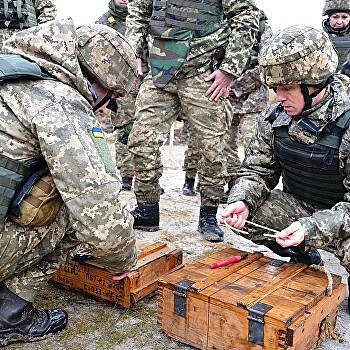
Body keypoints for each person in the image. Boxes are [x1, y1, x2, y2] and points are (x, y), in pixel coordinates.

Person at [0, 18, 138, 346]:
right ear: (100, 81)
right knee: (76, 215)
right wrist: (122, 260)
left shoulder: (9, 71)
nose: (107, 106)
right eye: (111, 96)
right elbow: (97, 211)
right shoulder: (58, 101)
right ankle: (9, 314)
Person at [220, 25, 350, 293]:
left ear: (315, 84)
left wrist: (312, 228)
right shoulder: (273, 118)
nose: (278, 97)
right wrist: (241, 200)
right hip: (301, 207)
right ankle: (303, 256)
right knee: (250, 214)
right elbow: (255, 171)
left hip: (342, 220)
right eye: (275, 88)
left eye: (287, 88)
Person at [126, 0, 261, 242]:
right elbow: (138, 10)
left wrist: (230, 69)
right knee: (141, 140)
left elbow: (246, 16)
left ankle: (208, 214)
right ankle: (147, 209)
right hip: (159, 70)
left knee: (212, 149)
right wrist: (134, 52)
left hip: (204, 74)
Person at [181, 10, 273, 203]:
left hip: (252, 101)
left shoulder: (263, 29)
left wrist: (235, 86)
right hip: (224, 96)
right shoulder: (222, 23)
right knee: (226, 146)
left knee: (253, 147)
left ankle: (253, 191)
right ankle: (233, 186)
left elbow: (265, 65)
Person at [96, 0, 148, 191]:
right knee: (125, 130)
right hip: (119, 87)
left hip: (145, 83)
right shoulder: (104, 22)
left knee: (146, 130)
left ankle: (145, 176)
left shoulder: (145, 19)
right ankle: (126, 175)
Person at [322, 0, 350, 76]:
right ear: (329, 17)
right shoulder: (319, 38)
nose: (339, 22)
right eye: (335, 17)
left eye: (344, 17)